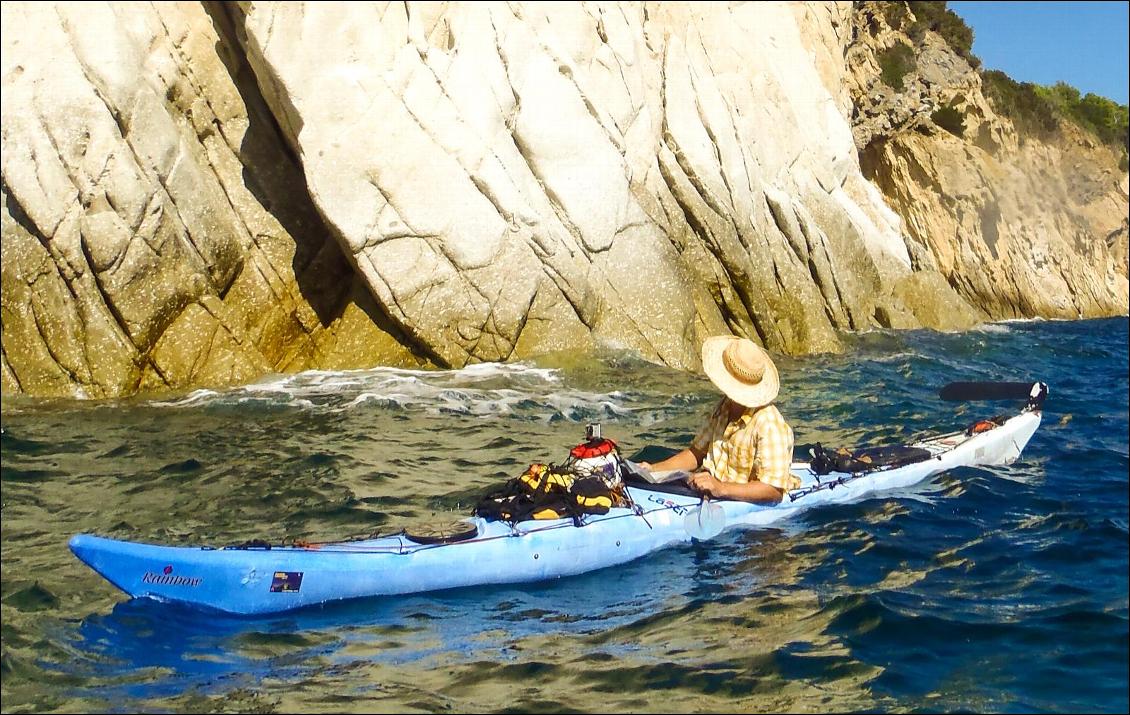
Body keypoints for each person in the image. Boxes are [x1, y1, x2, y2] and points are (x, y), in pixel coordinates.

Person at [641, 335, 799, 504]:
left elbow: (772, 490)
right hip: (711, 490)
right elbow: (697, 453)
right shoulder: (724, 406)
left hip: (737, 501)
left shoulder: (769, 424)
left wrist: (721, 488)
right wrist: (652, 470)